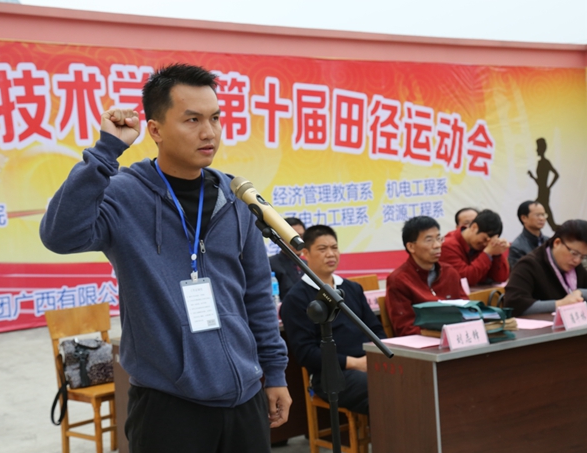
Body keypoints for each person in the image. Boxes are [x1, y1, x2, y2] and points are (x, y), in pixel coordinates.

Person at [39, 63, 291, 453]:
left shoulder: (236, 197)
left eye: (215, 118)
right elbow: (59, 235)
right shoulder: (124, 195)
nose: (209, 132)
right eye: (192, 120)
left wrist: (274, 373)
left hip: (244, 397)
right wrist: (106, 152)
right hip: (168, 405)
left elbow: (257, 294)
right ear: (155, 130)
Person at [279, 225, 386, 415]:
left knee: (405, 382)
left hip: (368, 364)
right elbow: (306, 353)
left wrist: (374, 358)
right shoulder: (296, 298)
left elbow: (376, 330)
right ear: (305, 253)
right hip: (330, 375)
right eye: (322, 249)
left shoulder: (352, 288)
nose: (330, 254)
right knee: (382, 389)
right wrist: (355, 363)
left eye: (334, 248)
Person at [385, 216, 468, 337]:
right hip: (425, 343)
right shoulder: (399, 280)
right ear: (411, 247)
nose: (437, 245)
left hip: (458, 337)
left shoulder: (450, 272)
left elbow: (468, 310)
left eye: (439, 238)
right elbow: (405, 328)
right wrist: (445, 335)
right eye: (429, 240)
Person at [505, 219, 587, 316]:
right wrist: (560, 304)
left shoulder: (577, 268)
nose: (577, 260)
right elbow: (514, 305)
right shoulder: (528, 265)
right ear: (557, 243)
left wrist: (580, 292)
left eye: (583, 256)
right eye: (574, 253)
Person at [440, 209, 510, 286]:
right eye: (484, 239)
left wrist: (497, 252)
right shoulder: (447, 245)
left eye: (490, 241)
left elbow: (501, 278)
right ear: (474, 227)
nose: (485, 244)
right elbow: (465, 280)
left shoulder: (488, 246)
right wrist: (487, 253)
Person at [269, 217, 306, 300]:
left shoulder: (309, 265)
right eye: (293, 237)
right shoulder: (270, 264)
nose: (298, 241)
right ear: (281, 238)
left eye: (301, 236)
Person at [528, 137, 559, 230]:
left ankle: (555, 228)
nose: (536, 150)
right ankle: (555, 228)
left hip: (544, 191)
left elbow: (556, 175)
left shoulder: (545, 162)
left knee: (537, 209)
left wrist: (549, 187)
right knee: (544, 211)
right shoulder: (540, 162)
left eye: (538, 147)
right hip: (541, 190)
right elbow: (540, 182)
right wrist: (533, 177)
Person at [508, 201, 549, 269]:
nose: (542, 218)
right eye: (537, 215)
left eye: (543, 215)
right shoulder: (517, 247)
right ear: (524, 218)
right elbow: (519, 273)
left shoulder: (550, 241)